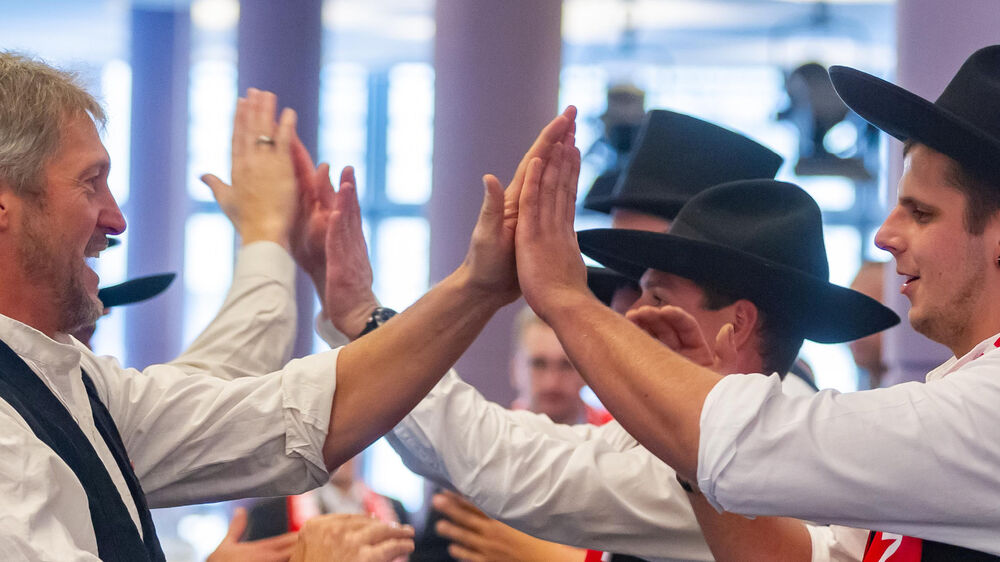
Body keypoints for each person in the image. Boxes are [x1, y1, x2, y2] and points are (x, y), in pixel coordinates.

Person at [0, 51, 571, 560]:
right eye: (89, 183)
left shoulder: (63, 380)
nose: (116, 218)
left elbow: (274, 412)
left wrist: (476, 287)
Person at [513, 45, 1000, 556]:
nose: (884, 236)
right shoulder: (962, 389)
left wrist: (565, 298)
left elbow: (749, 445)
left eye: (921, 213)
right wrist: (696, 450)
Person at [369, 179, 897, 560]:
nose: (631, 313)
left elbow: (512, 466)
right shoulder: (712, 430)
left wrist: (370, 324)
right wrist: (367, 323)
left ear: (736, 325)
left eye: (656, 295)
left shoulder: (769, 451)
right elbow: (510, 447)